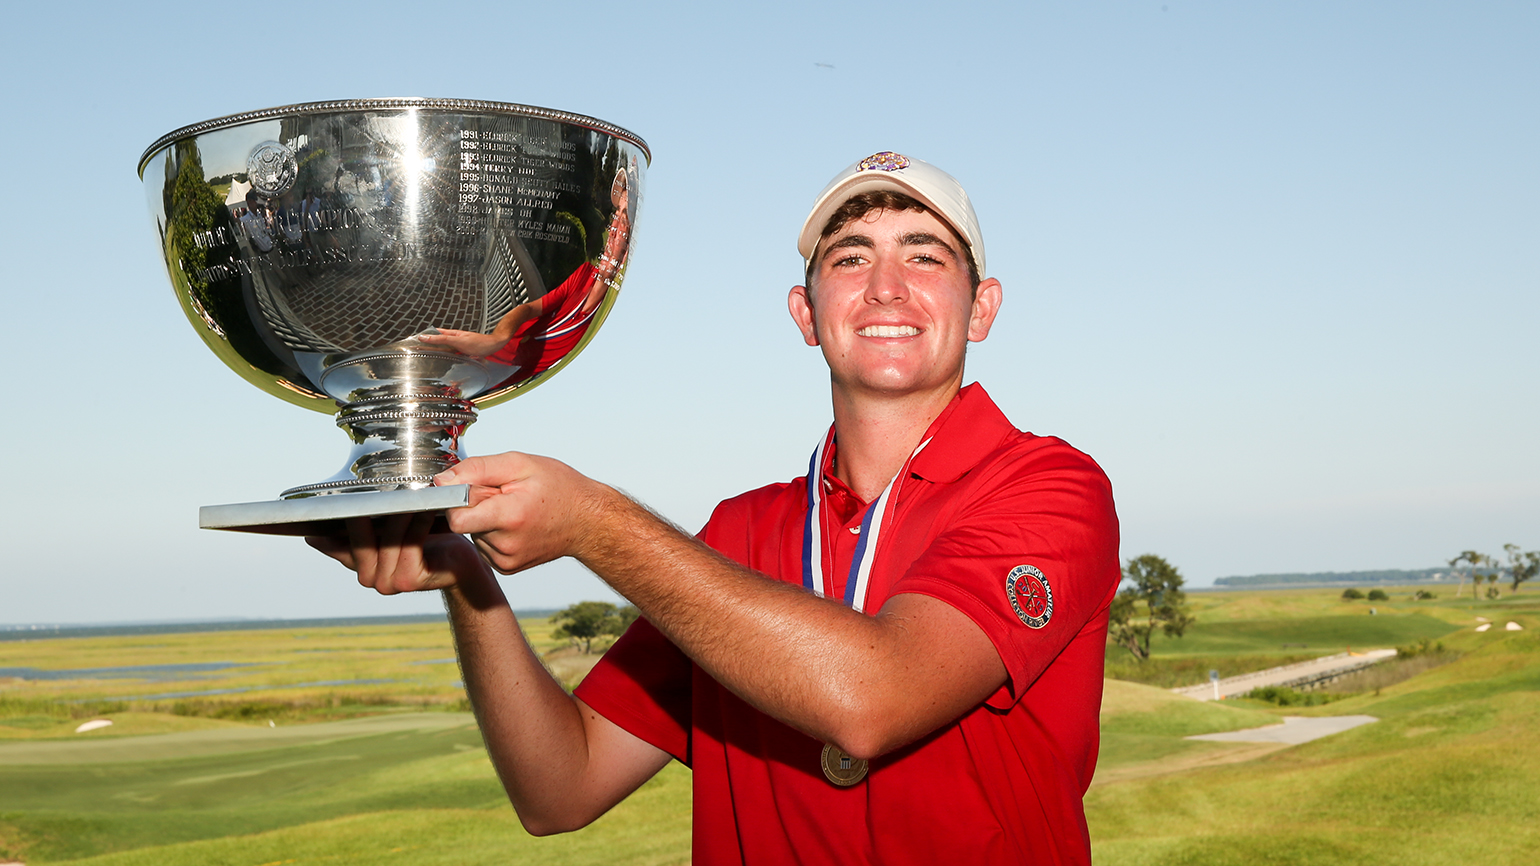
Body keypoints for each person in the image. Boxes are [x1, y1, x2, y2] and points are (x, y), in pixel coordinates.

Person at [308, 152, 1120, 865]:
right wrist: (466, 579)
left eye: (926, 256)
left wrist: (594, 523)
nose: (885, 287)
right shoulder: (740, 533)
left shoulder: (1051, 488)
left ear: (983, 307)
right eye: (849, 257)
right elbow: (561, 788)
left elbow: (875, 700)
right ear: (806, 315)